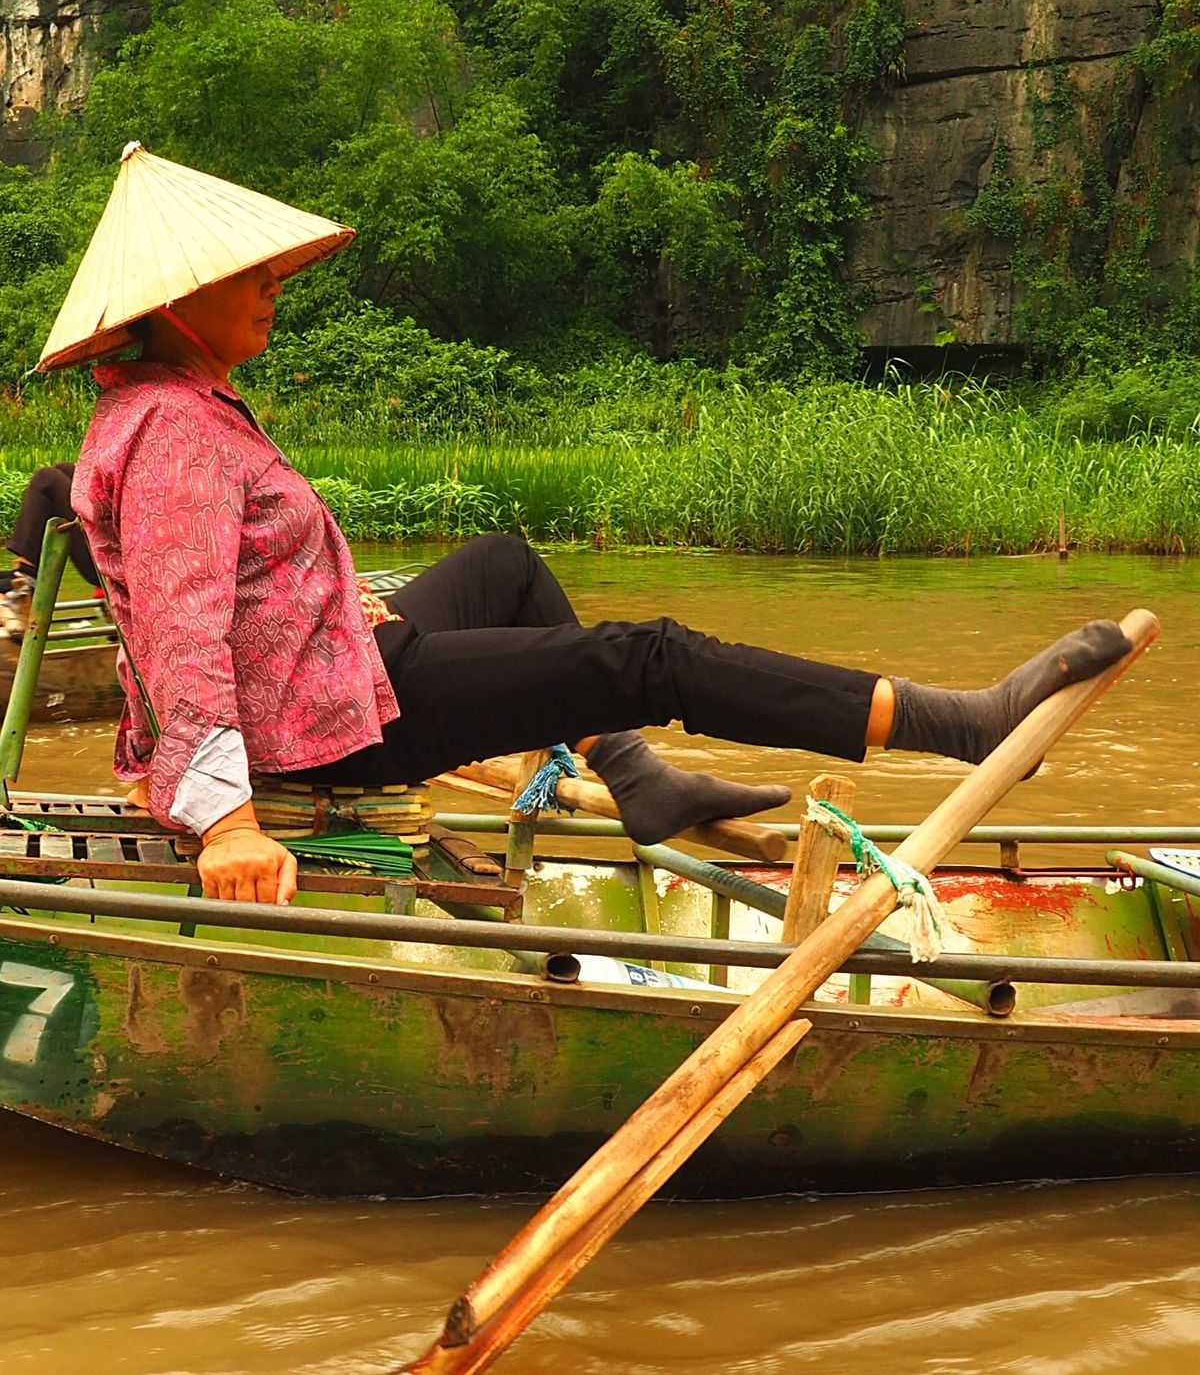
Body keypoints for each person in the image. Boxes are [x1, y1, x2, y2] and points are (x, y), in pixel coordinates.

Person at [37, 145, 1132, 909]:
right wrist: (227, 822)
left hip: (334, 663)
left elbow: (230, 591)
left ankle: (634, 775)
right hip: (334, 723)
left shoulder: (178, 407)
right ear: (176, 307)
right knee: (646, 655)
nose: (274, 286)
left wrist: (339, 600)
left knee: (502, 566)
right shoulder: (175, 432)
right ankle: (963, 725)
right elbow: (182, 635)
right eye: (249, 275)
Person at [0, 463, 102, 638]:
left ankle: (23, 587)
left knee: (46, 480)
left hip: (121, 562)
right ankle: (23, 580)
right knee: (67, 471)